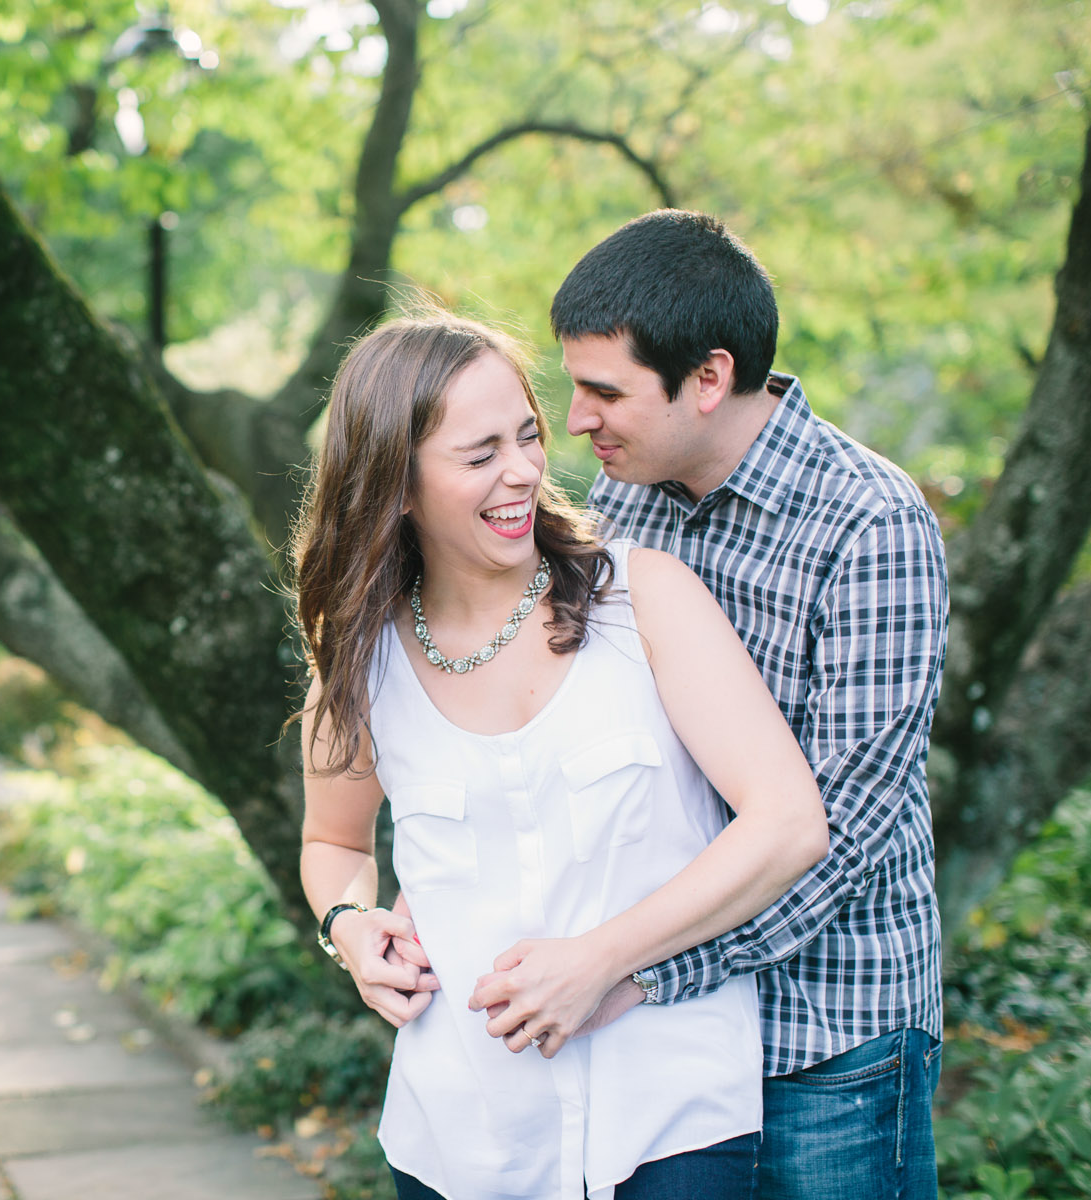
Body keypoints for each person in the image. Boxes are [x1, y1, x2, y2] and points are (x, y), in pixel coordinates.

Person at [293, 311, 828, 1200]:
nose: (523, 472)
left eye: (528, 435)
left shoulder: (646, 599)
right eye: (479, 454)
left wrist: (602, 959)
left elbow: (787, 824)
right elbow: (334, 846)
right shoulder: (358, 662)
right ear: (396, 486)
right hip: (461, 1137)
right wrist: (349, 930)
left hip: (672, 1118)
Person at [524, 209, 949, 1200]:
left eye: (603, 391)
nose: (578, 420)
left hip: (828, 1034)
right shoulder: (627, 497)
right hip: (666, 1027)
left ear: (708, 379)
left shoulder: (871, 523)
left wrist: (631, 971)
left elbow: (835, 836)